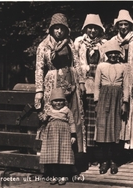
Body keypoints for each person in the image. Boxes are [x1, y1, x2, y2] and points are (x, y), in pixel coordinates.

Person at [34, 13, 86, 173]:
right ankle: (52, 163)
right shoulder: (43, 46)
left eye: (61, 28)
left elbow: (77, 63)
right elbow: (39, 68)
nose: (58, 32)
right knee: (54, 120)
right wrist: (39, 91)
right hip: (53, 82)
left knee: (72, 119)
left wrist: (82, 81)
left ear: (66, 30)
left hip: (71, 82)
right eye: (56, 28)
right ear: (51, 29)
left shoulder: (70, 44)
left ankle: (72, 161)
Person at [74, 14, 106, 167]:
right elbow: (75, 63)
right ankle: (84, 154)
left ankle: (97, 153)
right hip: (83, 83)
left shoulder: (104, 43)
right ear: (85, 28)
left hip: (98, 84)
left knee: (96, 117)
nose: (92, 31)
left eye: (95, 28)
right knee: (84, 117)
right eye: (90, 27)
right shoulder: (79, 43)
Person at [110, 9, 133, 150]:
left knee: (131, 109)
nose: (123, 27)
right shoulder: (113, 40)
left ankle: (130, 144)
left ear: (130, 26)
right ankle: (117, 141)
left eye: (126, 24)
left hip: (131, 77)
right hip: (117, 77)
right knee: (119, 107)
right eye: (121, 25)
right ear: (117, 26)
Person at [94, 40, 129, 174]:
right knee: (103, 129)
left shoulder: (123, 67)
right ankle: (104, 160)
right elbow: (97, 85)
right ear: (107, 54)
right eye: (111, 53)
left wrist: (125, 102)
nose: (113, 56)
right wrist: (97, 102)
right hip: (104, 98)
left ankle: (114, 160)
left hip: (117, 99)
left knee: (115, 130)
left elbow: (126, 86)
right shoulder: (101, 66)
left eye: (116, 53)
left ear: (119, 54)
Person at [39, 88, 76, 185]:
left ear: (64, 101)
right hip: (52, 136)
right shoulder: (49, 110)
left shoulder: (66, 110)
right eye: (56, 101)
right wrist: (42, 116)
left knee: (63, 156)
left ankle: (63, 176)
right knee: (53, 157)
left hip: (64, 136)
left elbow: (72, 123)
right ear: (51, 102)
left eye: (60, 100)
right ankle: (54, 176)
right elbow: (43, 120)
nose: (58, 103)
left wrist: (73, 135)